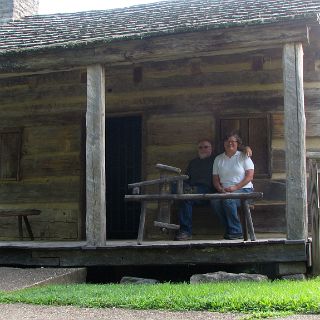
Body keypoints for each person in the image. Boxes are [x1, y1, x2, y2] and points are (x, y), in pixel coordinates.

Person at [175, 138, 252, 241]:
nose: (203, 149)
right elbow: (187, 178)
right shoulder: (193, 163)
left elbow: (232, 148)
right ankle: (185, 232)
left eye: (206, 147)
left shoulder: (215, 158)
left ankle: (235, 231)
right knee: (184, 198)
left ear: (212, 148)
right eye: (200, 147)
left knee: (226, 200)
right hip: (196, 191)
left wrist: (246, 148)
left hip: (208, 190)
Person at [211, 133, 254, 240]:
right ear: (224, 143)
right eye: (227, 141)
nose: (230, 143)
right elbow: (215, 179)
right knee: (214, 201)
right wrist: (220, 189)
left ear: (237, 144)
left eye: (233, 141)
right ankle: (231, 229)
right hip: (225, 191)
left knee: (228, 200)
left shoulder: (243, 156)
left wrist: (235, 187)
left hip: (245, 190)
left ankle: (236, 232)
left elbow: (249, 176)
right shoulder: (218, 159)